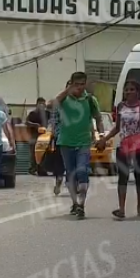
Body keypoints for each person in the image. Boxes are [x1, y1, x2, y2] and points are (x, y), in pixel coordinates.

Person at [97, 79, 140, 220]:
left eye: (132, 89)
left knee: (139, 175)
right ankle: (121, 209)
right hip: (123, 146)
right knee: (123, 176)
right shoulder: (120, 106)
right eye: (126, 89)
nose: (128, 92)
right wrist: (104, 139)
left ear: (138, 92)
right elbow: (117, 127)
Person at [51, 72, 103, 219]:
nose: (80, 87)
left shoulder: (90, 100)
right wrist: (67, 91)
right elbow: (51, 104)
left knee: (82, 171)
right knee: (71, 174)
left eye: (82, 84)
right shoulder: (64, 99)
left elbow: (98, 119)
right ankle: (74, 202)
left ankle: (81, 205)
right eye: (77, 84)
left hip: (83, 142)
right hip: (66, 142)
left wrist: (102, 136)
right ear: (71, 83)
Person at [46, 81, 70, 196]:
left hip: (65, 138)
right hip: (63, 138)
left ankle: (63, 180)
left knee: (64, 162)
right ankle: (64, 180)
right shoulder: (59, 103)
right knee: (64, 162)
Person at [26, 98, 49, 175]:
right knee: (33, 153)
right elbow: (27, 122)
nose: (42, 106)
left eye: (43, 104)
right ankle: (32, 169)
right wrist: (34, 125)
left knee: (44, 153)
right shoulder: (33, 114)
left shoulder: (47, 113)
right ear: (37, 104)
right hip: (35, 136)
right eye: (40, 104)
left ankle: (42, 169)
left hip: (45, 136)